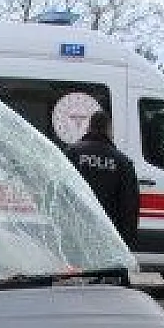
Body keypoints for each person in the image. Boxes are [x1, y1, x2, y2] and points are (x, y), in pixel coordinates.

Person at [66, 110, 139, 284]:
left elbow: (60, 195)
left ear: (89, 127)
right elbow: (129, 206)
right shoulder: (122, 162)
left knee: (75, 290)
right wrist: (126, 243)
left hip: (77, 238)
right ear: (109, 130)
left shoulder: (72, 154)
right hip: (108, 239)